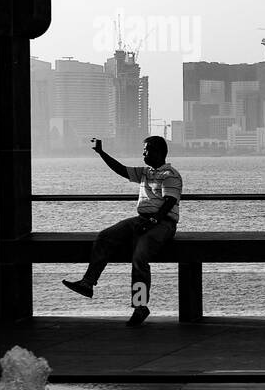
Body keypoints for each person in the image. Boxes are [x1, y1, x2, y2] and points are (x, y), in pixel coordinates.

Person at [61, 136, 182, 327]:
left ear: (159, 152)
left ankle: (140, 305)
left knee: (139, 258)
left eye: (147, 150)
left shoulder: (170, 174)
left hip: (162, 224)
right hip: (142, 219)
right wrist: (101, 153)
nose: (143, 153)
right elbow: (121, 169)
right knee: (105, 236)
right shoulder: (145, 172)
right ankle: (88, 282)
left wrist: (151, 222)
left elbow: (169, 203)